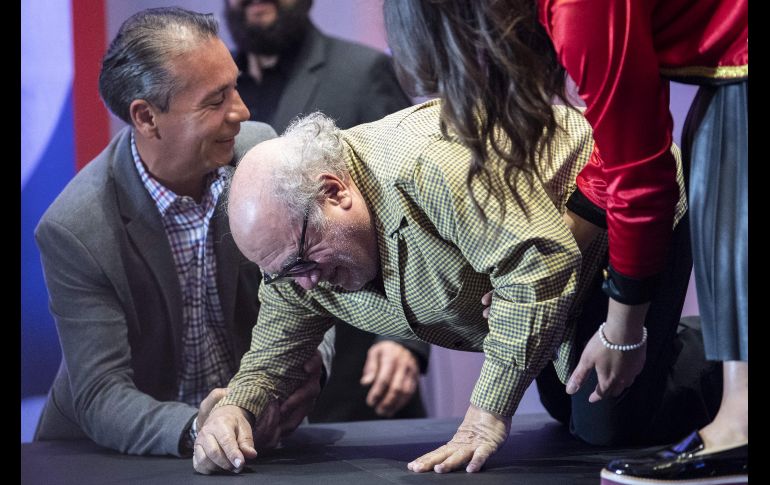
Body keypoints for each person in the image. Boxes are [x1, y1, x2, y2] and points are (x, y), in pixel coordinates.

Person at [194, 99, 683, 475]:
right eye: (283, 272)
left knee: (608, 425)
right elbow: (273, 348)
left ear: (334, 192)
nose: (305, 282)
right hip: (553, 285)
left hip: (622, 216)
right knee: (568, 408)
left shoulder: (431, 166)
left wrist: (486, 413)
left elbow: (540, 261)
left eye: (302, 262)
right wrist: (235, 408)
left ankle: (724, 360)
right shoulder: (294, 252)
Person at [381, 1, 747, 483]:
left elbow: (641, 176)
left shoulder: (578, 8)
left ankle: (737, 429)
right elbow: (620, 153)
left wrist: (624, 328)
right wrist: (568, 248)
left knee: (722, 161)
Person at [33, 7, 333, 457]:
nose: (242, 111)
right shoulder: (75, 229)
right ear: (147, 117)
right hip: (116, 456)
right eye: (216, 100)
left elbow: (313, 285)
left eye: (235, 86)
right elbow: (100, 394)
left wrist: (309, 367)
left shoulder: (259, 153)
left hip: (258, 443)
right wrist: (200, 429)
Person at [222, 0, 428, 423]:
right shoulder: (223, 93)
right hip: (266, 350)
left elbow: (409, 203)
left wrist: (403, 342)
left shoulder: (361, 71)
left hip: (360, 367)